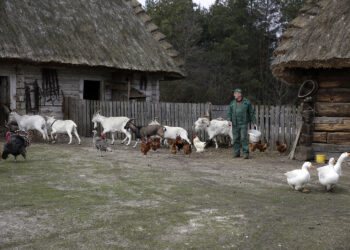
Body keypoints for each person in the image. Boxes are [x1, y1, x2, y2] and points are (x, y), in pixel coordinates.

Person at [227, 88, 256, 159]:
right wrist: (229, 120)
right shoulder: (232, 103)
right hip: (235, 123)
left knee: (244, 138)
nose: (234, 95)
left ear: (240, 94)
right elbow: (229, 112)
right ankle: (236, 153)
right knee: (236, 138)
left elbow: (251, 112)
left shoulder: (247, 102)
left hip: (243, 123)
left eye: (235, 93)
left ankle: (246, 153)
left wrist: (254, 121)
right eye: (234, 93)